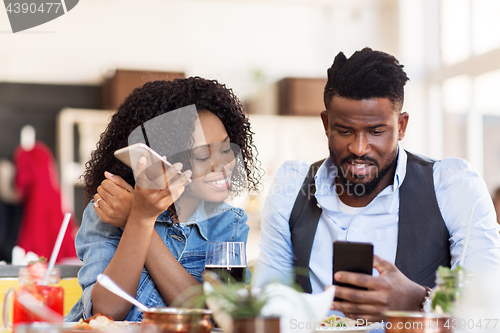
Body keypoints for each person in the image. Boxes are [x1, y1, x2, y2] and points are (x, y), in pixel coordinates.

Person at [252, 48, 500, 321]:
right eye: (344, 130)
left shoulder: (452, 185)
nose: (359, 148)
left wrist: (419, 300)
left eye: (376, 131)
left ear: (402, 126)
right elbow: (267, 302)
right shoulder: (293, 186)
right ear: (326, 124)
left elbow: (487, 309)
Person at [65, 77, 261, 322]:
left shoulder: (227, 223)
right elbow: (106, 312)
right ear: (164, 161)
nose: (223, 165)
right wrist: (140, 219)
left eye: (225, 148)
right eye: (201, 156)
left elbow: (222, 317)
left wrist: (134, 218)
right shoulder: (106, 211)